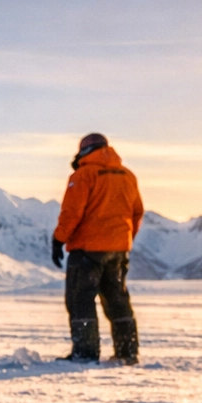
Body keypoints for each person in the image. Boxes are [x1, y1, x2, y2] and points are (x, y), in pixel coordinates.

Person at [51, 133, 143, 364]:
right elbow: (137, 212)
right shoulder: (127, 176)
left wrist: (59, 239)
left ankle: (85, 352)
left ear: (84, 150)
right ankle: (127, 351)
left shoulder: (83, 175)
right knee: (117, 298)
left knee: (80, 299)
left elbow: (72, 213)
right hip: (119, 250)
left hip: (87, 250)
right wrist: (124, 239)